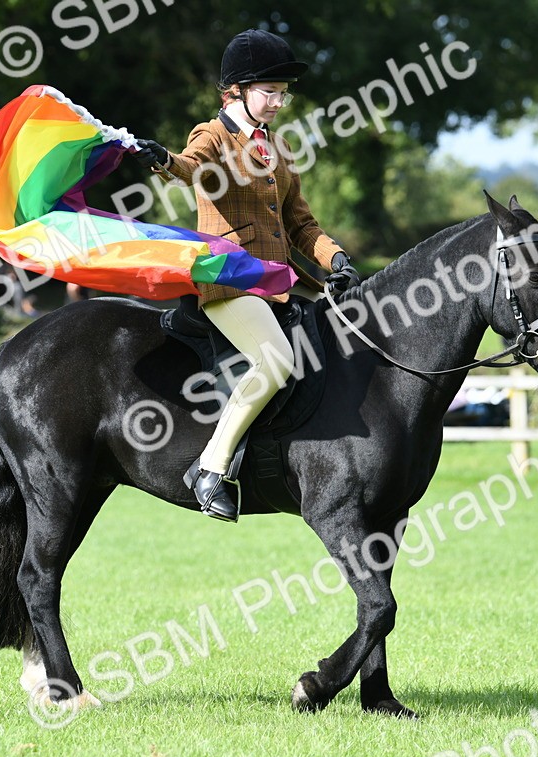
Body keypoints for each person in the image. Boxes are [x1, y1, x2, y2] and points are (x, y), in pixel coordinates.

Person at [130, 29, 356, 522]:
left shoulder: (277, 149)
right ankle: (211, 468)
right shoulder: (212, 136)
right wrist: (165, 161)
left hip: (281, 284)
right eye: (269, 92)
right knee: (275, 362)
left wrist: (334, 258)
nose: (279, 102)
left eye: (283, 93)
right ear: (236, 91)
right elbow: (192, 168)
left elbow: (300, 223)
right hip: (230, 280)